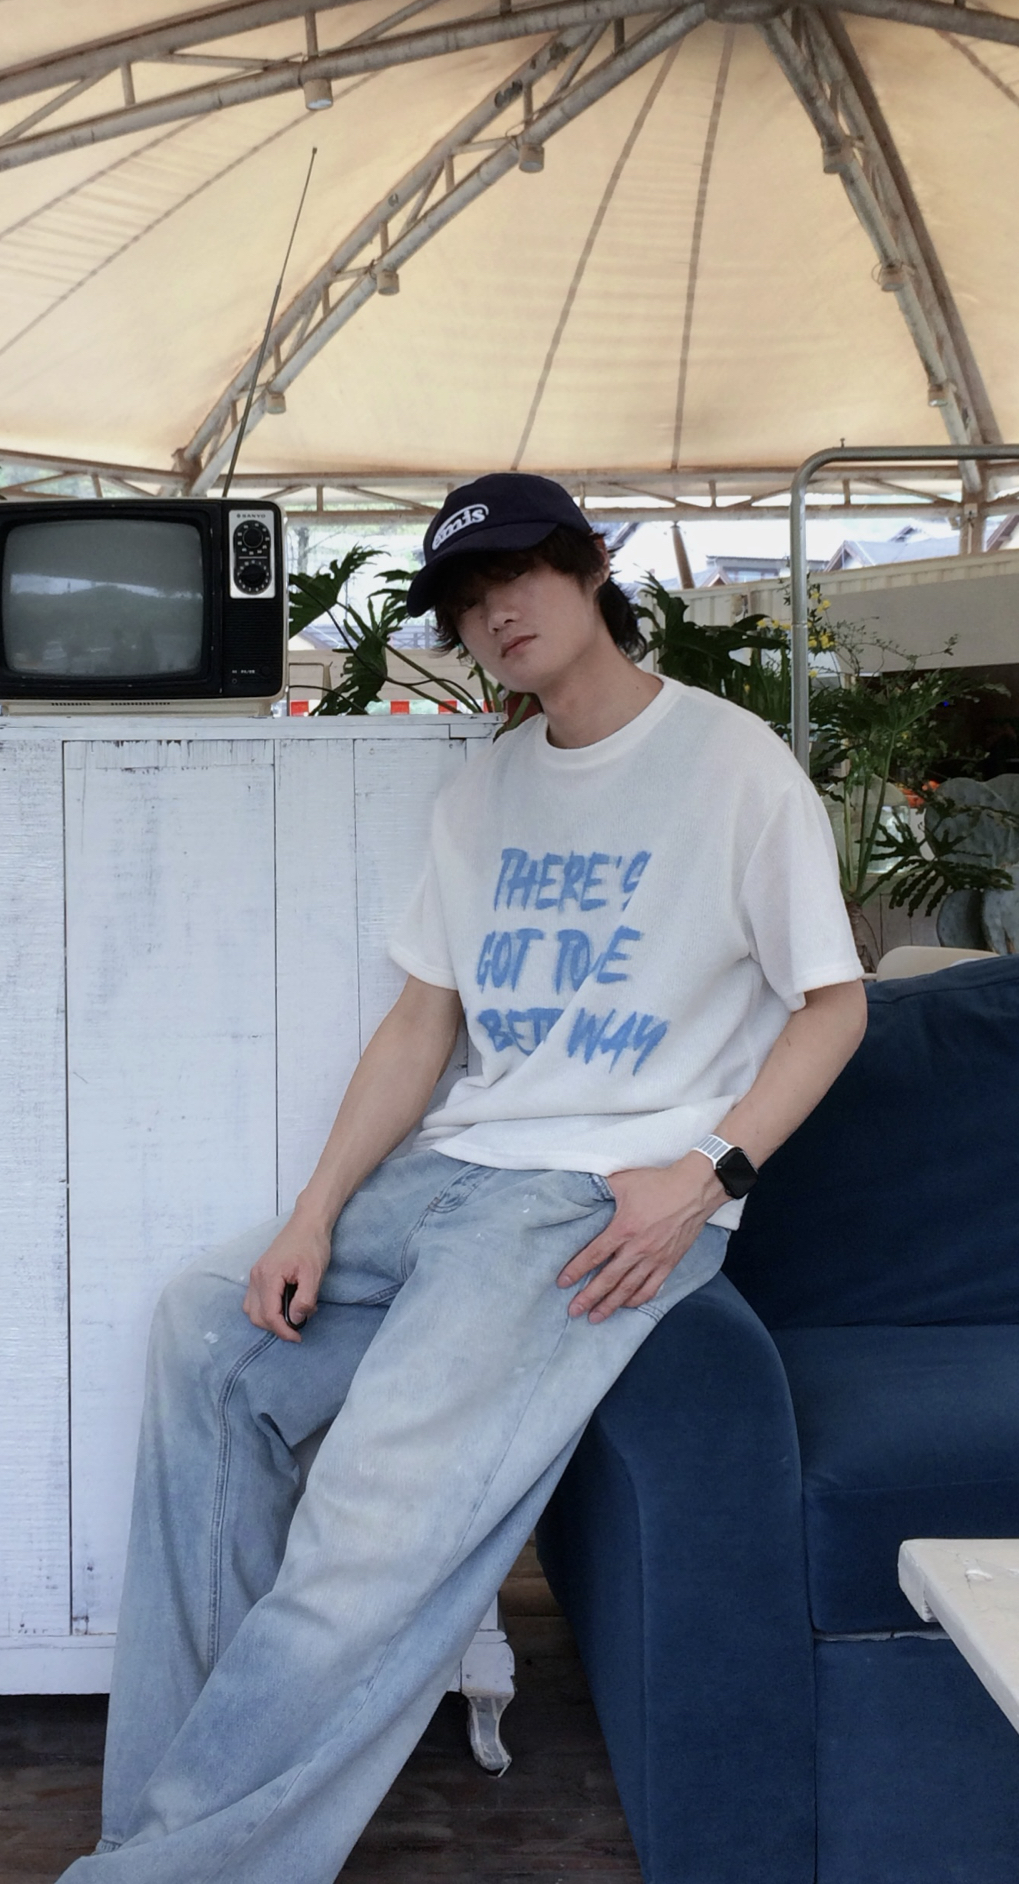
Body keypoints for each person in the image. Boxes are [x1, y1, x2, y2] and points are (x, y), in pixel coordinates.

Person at [59, 473, 867, 1884]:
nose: (496, 613)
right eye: (466, 598)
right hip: (457, 1174)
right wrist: (313, 1215)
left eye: (519, 575)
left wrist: (705, 1175)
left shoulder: (732, 766)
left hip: (592, 1197)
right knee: (206, 1332)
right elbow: (423, 1022)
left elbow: (834, 1005)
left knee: (370, 1521)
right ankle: (161, 1836)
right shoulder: (487, 784)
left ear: (592, 565)